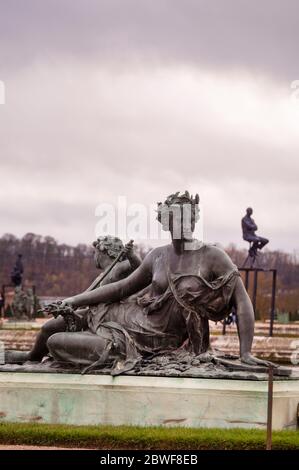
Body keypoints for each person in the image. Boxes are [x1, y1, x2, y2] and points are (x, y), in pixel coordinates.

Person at [24, 190, 269, 375]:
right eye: (174, 218)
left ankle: (48, 355)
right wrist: (73, 300)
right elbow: (121, 288)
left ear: (194, 220)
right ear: (166, 222)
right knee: (54, 327)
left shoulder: (213, 256)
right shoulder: (157, 255)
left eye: (186, 218)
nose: (181, 224)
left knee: (55, 342)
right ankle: (29, 357)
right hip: (126, 319)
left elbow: (242, 301)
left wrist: (245, 352)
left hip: (152, 342)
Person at [5, 236, 141, 363]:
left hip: (109, 316)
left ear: (102, 251)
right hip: (92, 313)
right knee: (48, 327)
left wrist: (131, 255)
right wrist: (64, 306)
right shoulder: (100, 277)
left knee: (56, 335)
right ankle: (32, 356)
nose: (94, 257)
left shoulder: (121, 267)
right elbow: (85, 297)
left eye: (94, 253)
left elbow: (140, 269)